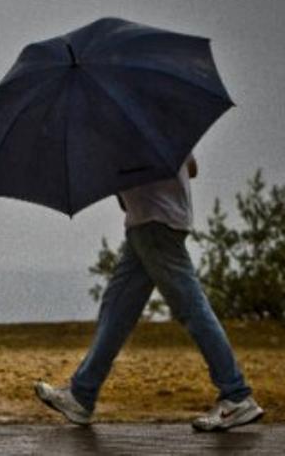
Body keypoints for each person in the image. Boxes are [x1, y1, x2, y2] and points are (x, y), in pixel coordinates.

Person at [33, 154, 264, 432]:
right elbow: (191, 166)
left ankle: (236, 395)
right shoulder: (158, 122)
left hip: (155, 225)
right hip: (148, 225)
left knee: (192, 309)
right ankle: (82, 395)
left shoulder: (125, 135)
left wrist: (118, 174)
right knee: (116, 309)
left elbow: (123, 195)